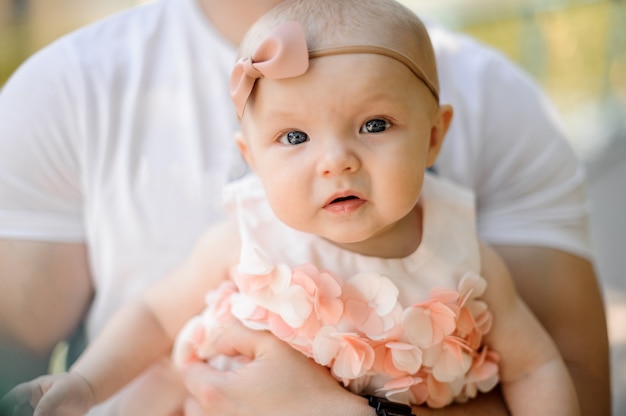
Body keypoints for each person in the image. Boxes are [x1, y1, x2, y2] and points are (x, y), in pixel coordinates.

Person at [0, 0, 609, 414]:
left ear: (433, 136)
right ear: (251, 157)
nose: (336, 161)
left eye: (374, 124)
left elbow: (540, 369)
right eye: (294, 138)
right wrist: (82, 385)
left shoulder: (463, 250)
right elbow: (156, 319)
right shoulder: (247, 236)